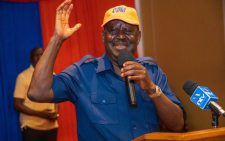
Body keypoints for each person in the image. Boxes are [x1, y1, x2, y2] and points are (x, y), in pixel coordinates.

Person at [28, 0, 184, 140]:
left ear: (139, 37)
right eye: (113, 30)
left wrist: (151, 89)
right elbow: (37, 93)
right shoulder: (82, 73)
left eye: (129, 31)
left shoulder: (152, 72)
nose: (121, 36)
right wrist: (57, 39)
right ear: (103, 36)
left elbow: (177, 124)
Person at [14, 47, 59, 141]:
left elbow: (57, 98)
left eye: (42, 54)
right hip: (31, 127)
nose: (40, 57)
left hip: (51, 127)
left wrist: (56, 114)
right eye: (36, 55)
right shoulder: (23, 77)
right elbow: (17, 105)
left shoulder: (53, 75)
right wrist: (41, 114)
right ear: (31, 59)